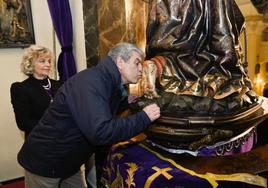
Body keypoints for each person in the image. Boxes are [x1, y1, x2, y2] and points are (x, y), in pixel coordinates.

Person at [17, 43, 161, 188]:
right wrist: (144, 117)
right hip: (45, 162)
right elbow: (100, 132)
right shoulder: (92, 81)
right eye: (137, 63)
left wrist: (125, 102)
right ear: (120, 62)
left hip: (70, 162)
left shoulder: (107, 81)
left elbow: (101, 109)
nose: (141, 69)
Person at [10, 45, 61, 139]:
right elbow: (23, 123)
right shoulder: (21, 88)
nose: (48, 64)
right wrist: (53, 125)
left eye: (49, 61)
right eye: (42, 61)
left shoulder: (59, 85)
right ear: (30, 64)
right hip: (38, 142)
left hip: (63, 141)